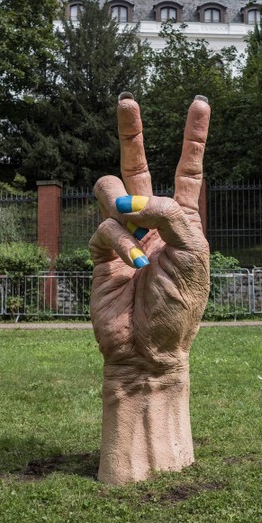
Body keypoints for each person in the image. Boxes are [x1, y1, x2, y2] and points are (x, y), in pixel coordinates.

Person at [89, 92, 211, 485]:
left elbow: (162, 352)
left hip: (165, 350)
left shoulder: (177, 271)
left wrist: (163, 362)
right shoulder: (119, 290)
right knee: (114, 199)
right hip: (129, 368)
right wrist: (129, 364)